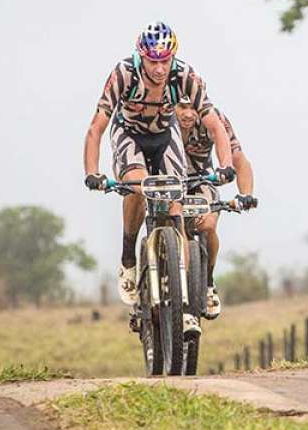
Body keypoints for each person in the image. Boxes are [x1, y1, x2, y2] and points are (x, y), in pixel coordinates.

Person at [82, 21, 235, 328]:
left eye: (164, 61)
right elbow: (96, 127)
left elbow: (216, 126)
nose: (159, 69)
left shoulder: (185, 76)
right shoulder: (124, 74)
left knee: (176, 205)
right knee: (139, 185)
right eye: (153, 61)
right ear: (142, 56)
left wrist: (225, 165)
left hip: (165, 136)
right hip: (130, 135)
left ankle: (186, 302)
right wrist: (93, 172)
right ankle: (128, 256)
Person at [175, 100, 256, 319]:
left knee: (208, 225)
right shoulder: (160, 117)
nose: (188, 114)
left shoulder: (214, 118)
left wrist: (245, 193)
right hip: (168, 183)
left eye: (193, 108)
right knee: (169, 222)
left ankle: (208, 282)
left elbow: (237, 157)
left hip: (203, 180)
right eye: (182, 107)